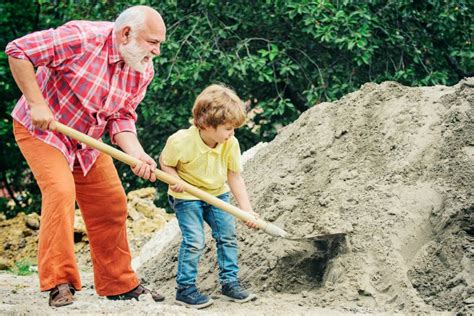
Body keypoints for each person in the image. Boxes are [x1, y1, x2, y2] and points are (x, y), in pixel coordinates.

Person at [6, 5, 166, 307]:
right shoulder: (82, 38)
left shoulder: (142, 68)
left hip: (86, 141)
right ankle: (59, 282)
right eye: (152, 42)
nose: (156, 52)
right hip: (43, 130)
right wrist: (36, 103)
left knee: (112, 202)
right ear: (126, 33)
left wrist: (137, 154)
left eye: (159, 44)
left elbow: (121, 117)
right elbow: (18, 50)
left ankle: (118, 283)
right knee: (60, 191)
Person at [160, 84, 258, 309]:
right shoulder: (181, 141)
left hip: (217, 193)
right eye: (227, 128)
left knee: (227, 236)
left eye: (233, 129)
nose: (232, 133)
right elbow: (165, 162)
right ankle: (185, 289)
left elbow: (234, 176)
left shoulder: (230, 143)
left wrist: (246, 209)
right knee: (194, 240)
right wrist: (174, 179)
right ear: (206, 124)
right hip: (187, 195)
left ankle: (229, 283)